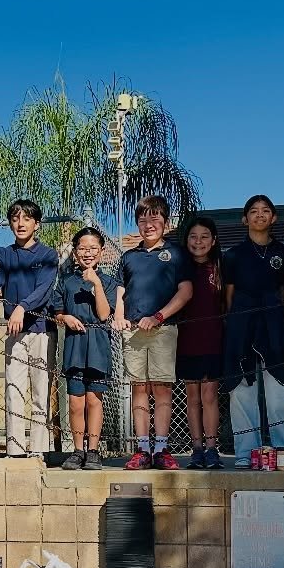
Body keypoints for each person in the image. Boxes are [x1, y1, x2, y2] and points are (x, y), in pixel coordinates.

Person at [113, 196, 193, 471]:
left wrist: (159, 316)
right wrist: (119, 316)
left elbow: (185, 291)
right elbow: (121, 290)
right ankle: (142, 448)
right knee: (138, 390)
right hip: (133, 333)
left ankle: (161, 448)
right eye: (143, 219)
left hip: (163, 330)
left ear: (165, 222)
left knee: (161, 390)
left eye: (155, 218)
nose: (149, 224)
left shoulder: (176, 253)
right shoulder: (128, 257)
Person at [222, 196, 284, 468]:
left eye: (265, 211)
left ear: (274, 217)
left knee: (278, 388)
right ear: (245, 219)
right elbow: (228, 296)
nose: (259, 215)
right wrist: (236, 324)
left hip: (273, 322)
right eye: (253, 211)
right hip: (241, 323)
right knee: (241, 389)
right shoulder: (232, 255)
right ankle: (246, 452)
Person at [0, 199, 59, 458]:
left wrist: (22, 307)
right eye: (15, 218)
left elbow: (44, 290)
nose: (20, 223)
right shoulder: (3, 254)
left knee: (40, 392)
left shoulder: (48, 255)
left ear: (37, 223)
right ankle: (13, 450)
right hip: (14, 333)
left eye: (26, 218)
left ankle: (38, 450)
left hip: (41, 330)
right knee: (13, 390)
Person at [50, 227, 116, 471]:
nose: (87, 253)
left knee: (93, 401)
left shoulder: (109, 282)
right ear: (75, 252)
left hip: (98, 343)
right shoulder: (66, 282)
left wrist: (96, 283)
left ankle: (93, 451)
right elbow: (57, 312)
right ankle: (77, 449)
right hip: (75, 344)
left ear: (101, 251)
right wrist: (65, 318)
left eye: (93, 249)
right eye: (82, 249)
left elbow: (104, 314)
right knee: (76, 402)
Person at [177, 217, 226, 469]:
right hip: (186, 339)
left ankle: (211, 447)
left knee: (209, 394)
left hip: (213, 339)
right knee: (192, 395)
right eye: (193, 237)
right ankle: (196, 448)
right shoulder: (179, 267)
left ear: (214, 239)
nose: (199, 242)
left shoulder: (220, 267)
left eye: (205, 236)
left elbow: (227, 303)